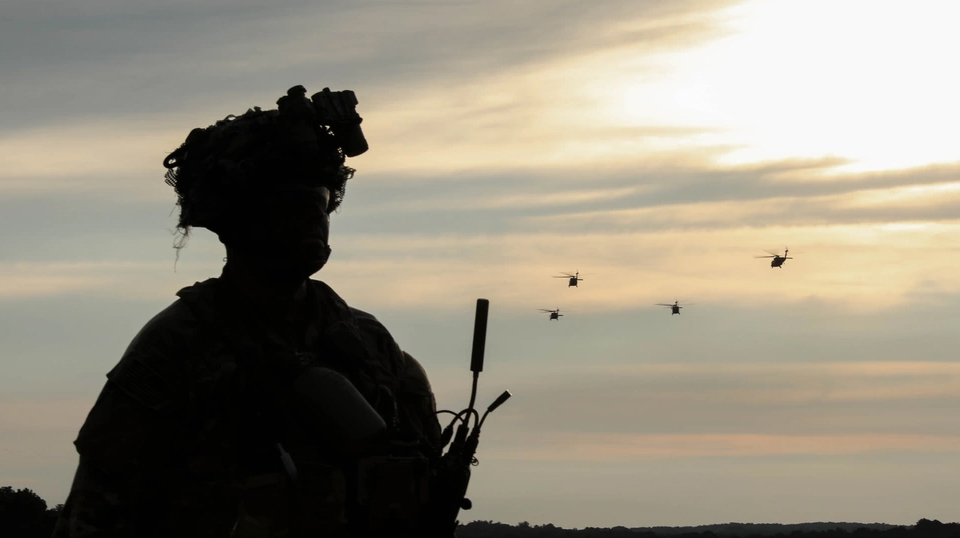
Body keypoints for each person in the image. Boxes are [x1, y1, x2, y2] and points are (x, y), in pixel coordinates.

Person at [54, 86, 445, 537]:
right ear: (233, 219)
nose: (311, 219)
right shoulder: (177, 344)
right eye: (287, 205)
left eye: (317, 203)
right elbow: (97, 508)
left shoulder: (369, 344)